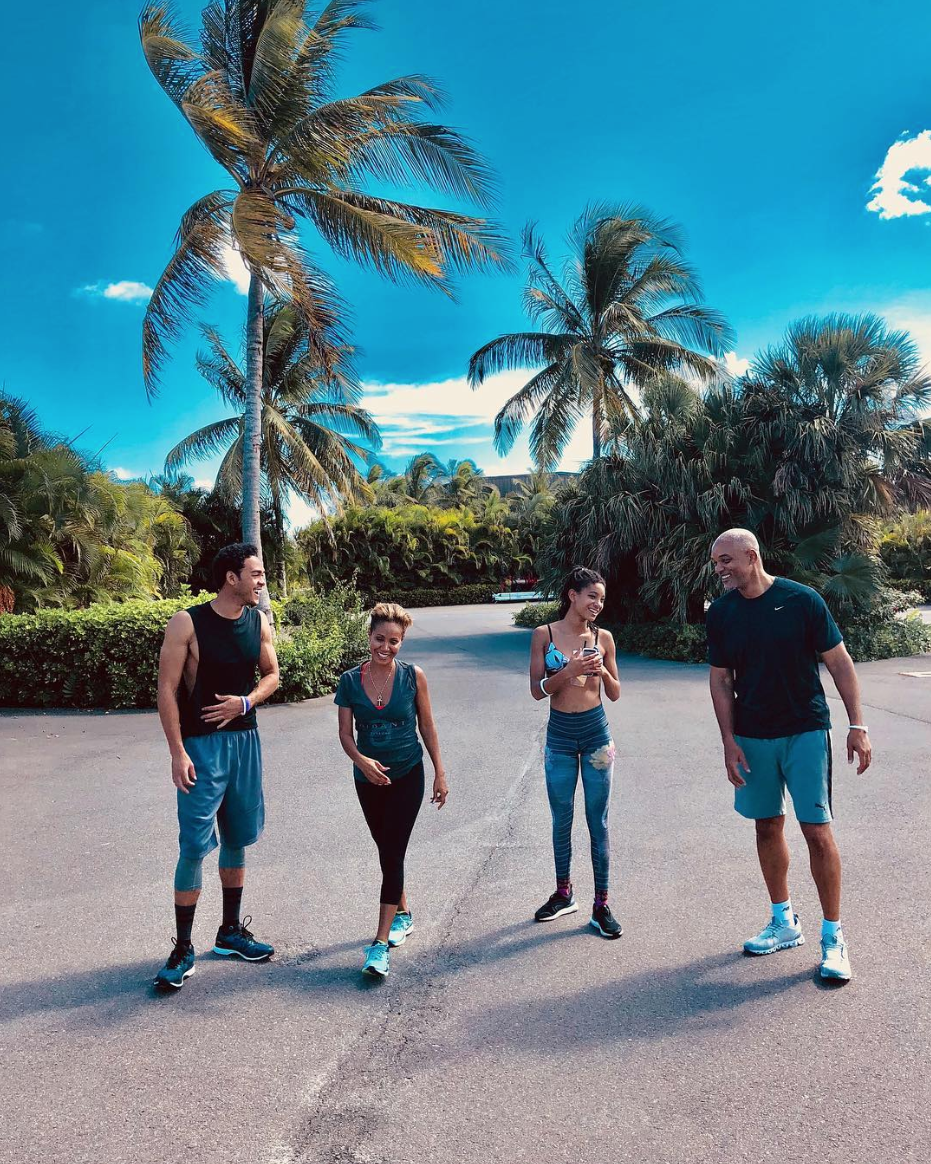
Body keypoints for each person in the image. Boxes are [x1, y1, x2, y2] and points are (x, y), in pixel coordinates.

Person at [706, 528, 872, 982]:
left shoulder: (802, 600)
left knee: (817, 832)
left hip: (805, 730)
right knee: (767, 826)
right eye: (716, 562)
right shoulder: (722, 613)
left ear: (750, 555)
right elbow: (721, 680)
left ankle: (833, 938)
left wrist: (857, 725)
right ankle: (784, 922)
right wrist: (728, 740)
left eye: (725, 560)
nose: (719, 569)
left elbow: (838, 661)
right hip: (753, 735)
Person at [153, 543, 280, 991]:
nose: (261, 581)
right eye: (256, 574)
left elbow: (271, 675)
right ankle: (183, 947)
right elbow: (166, 690)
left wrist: (244, 702)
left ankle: (229, 932)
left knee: (238, 837)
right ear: (231, 577)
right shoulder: (188, 621)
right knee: (193, 845)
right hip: (201, 747)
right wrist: (177, 752)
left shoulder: (259, 621)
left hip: (246, 742)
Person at [335, 603, 448, 978]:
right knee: (386, 849)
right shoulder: (350, 681)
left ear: (402, 642)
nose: (386, 647)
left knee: (393, 851)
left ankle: (379, 945)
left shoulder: (414, 677)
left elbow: (428, 727)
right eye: (380, 639)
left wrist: (439, 773)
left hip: (407, 774)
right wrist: (362, 762)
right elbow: (345, 737)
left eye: (394, 641)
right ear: (369, 636)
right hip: (366, 781)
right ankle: (404, 913)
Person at [529, 567, 622, 938]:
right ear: (572, 595)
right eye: (591, 597)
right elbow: (537, 690)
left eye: (601, 599)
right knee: (561, 819)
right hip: (560, 738)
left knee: (597, 822)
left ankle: (602, 905)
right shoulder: (544, 635)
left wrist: (601, 670)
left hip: (597, 735)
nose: (597, 604)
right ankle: (564, 893)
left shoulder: (604, 638)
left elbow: (615, 693)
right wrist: (569, 670)